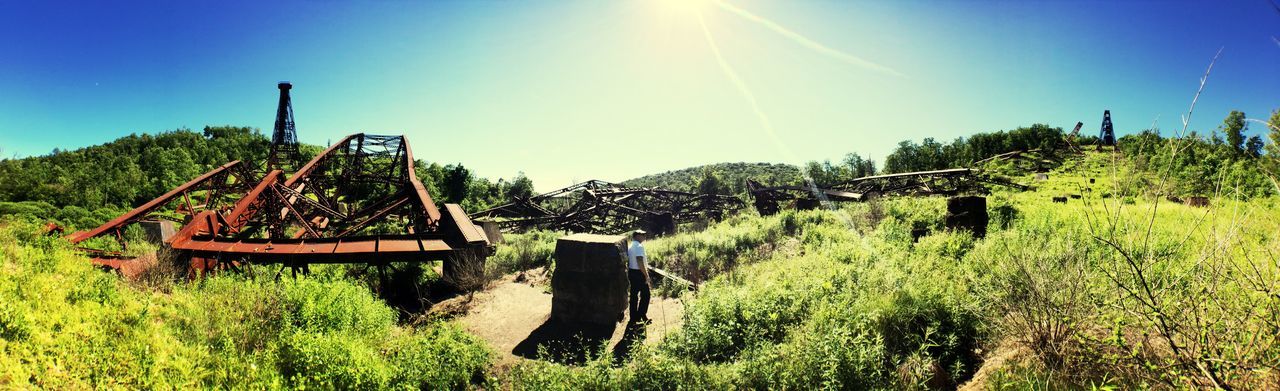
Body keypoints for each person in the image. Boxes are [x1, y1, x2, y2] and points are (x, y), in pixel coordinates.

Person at [627, 229, 651, 324]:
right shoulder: (639, 246)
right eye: (643, 235)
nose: (644, 236)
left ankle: (633, 317)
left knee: (634, 296)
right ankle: (641, 316)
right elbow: (640, 261)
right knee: (646, 295)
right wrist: (646, 275)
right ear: (637, 236)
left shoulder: (630, 246)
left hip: (632, 272)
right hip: (639, 273)